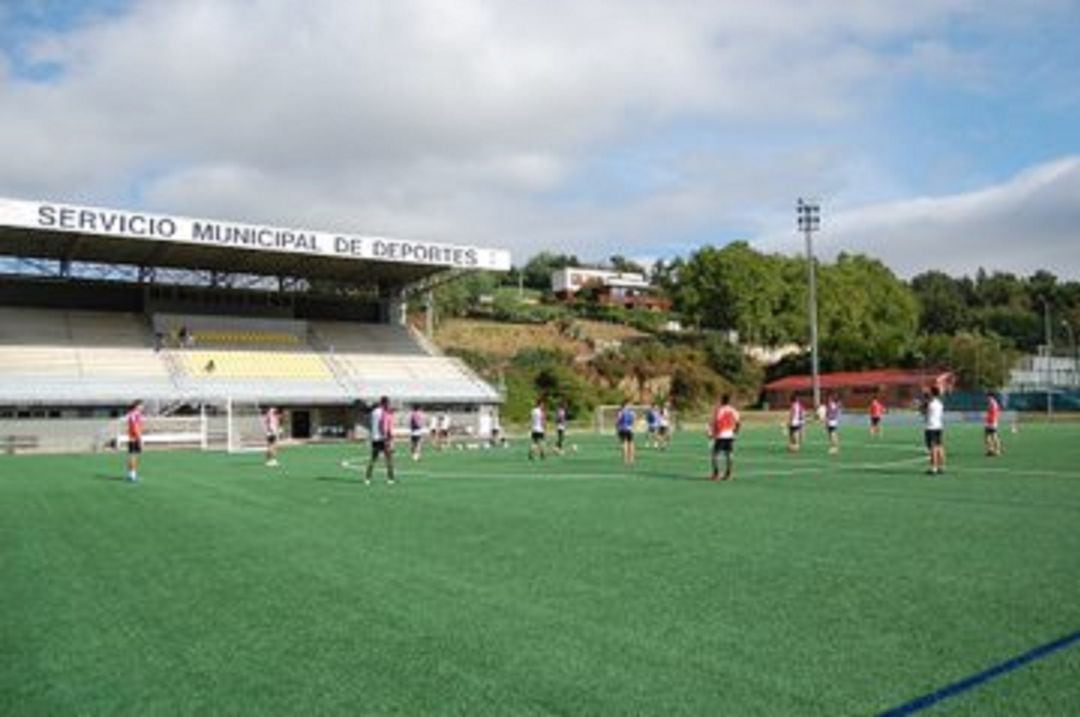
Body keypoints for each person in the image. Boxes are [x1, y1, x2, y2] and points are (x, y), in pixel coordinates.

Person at [709, 394, 741, 481]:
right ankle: (729, 474)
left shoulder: (719, 410)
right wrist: (735, 433)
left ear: (722, 400)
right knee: (729, 454)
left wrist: (713, 434)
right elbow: (738, 423)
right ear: (729, 401)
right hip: (730, 434)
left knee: (715, 454)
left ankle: (717, 474)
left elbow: (716, 422)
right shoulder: (734, 410)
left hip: (721, 434)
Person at [365, 396, 396, 485]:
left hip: (374, 438)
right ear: (384, 403)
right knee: (388, 459)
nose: (389, 405)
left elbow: (371, 424)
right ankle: (390, 479)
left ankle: (367, 478)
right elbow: (383, 424)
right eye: (388, 403)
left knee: (373, 459)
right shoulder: (383, 412)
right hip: (383, 438)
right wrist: (387, 437)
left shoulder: (374, 412)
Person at [924, 386, 946, 475]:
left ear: (932, 393)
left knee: (933, 448)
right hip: (939, 426)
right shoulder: (940, 404)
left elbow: (925, 413)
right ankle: (942, 466)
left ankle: (934, 467)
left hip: (931, 427)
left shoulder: (931, 404)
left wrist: (924, 403)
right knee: (940, 446)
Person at [124, 399, 144, 483]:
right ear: (137, 406)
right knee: (133, 457)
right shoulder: (134, 414)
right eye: (141, 405)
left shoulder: (134, 414)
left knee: (132, 457)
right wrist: (139, 438)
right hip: (134, 438)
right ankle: (132, 475)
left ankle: (131, 474)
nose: (143, 407)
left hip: (133, 437)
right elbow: (135, 427)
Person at [615, 400, 636, 465]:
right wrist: (633, 428)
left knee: (624, 444)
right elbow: (634, 421)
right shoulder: (632, 412)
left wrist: (616, 429)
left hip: (622, 429)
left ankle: (625, 460)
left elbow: (617, 421)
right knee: (631, 444)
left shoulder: (620, 412)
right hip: (630, 429)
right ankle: (632, 459)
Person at [984, 392, 1002, 457]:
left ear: (991, 396)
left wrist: (993, 421)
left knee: (994, 436)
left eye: (987, 397)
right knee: (987, 436)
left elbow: (995, 413)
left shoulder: (993, 403)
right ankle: (990, 450)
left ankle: (997, 450)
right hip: (989, 422)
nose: (986, 398)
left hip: (992, 422)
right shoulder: (991, 403)